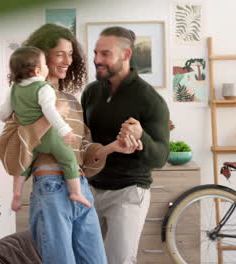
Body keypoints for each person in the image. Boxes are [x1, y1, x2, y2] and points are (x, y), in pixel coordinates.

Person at [0, 24, 142, 264]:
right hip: (51, 189)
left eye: (71, 54)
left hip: (81, 186)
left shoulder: (72, 102)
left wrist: (112, 148)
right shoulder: (24, 100)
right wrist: (48, 117)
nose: (67, 60)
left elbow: (83, 150)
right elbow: (11, 158)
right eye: (59, 54)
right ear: (41, 57)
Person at [81, 26, 170, 264]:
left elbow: (160, 157)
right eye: (96, 53)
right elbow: (84, 141)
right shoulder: (90, 93)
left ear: (127, 55)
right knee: (86, 259)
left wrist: (142, 137)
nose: (97, 60)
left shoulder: (149, 100)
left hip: (128, 193)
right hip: (91, 189)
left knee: (118, 261)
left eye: (105, 54)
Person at [0, 45, 91, 209]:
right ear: (37, 71)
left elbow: (3, 113)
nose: (47, 68)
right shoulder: (43, 88)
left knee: (24, 165)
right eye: (44, 64)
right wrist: (65, 130)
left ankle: (16, 194)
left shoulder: (14, 89)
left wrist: (10, 117)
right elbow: (51, 112)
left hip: (31, 139)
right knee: (68, 159)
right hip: (49, 137)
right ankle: (76, 192)